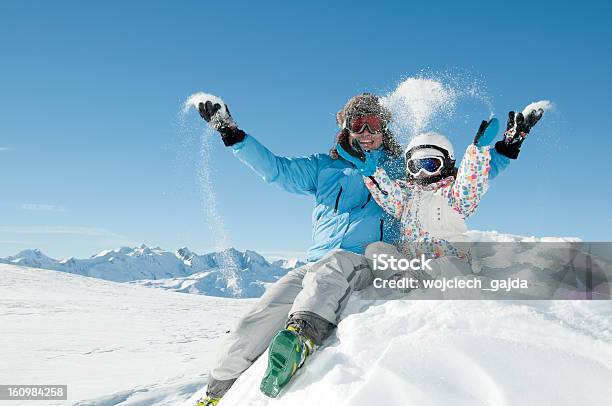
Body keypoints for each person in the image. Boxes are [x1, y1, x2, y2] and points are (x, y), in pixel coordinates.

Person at [194, 93, 404, 404]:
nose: (366, 133)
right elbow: (277, 170)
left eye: (373, 124)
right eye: (357, 124)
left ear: (384, 128)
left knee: (333, 266)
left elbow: (440, 185)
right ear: (346, 128)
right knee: (251, 323)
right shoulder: (325, 167)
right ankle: (215, 393)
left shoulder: (399, 169)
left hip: (363, 262)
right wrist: (233, 135)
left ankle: (301, 338)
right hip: (314, 264)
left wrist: (489, 159)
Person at [337, 109, 545, 291]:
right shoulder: (406, 195)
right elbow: (388, 193)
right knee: (376, 249)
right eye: (415, 166)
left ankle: (453, 290)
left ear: (446, 165)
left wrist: (477, 151)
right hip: (414, 269)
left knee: (448, 266)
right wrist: (370, 171)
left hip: (448, 266)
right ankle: (402, 282)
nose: (422, 173)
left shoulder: (452, 194)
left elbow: (470, 183)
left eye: (430, 164)